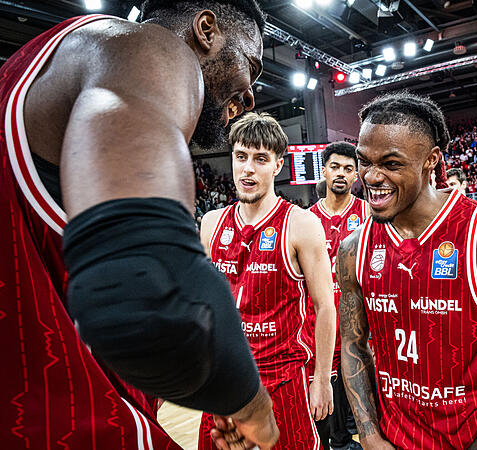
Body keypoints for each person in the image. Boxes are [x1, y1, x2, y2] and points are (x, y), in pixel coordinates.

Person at [0, 1, 281, 448]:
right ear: (206, 29)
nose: (252, 96)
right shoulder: (150, 49)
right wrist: (250, 403)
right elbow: (150, 292)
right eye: (253, 66)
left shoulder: (28, 68)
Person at [337, 91, 477, 449]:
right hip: (394, 441)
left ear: (431, 161)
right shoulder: (354, 248)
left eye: (391, 164)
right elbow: (352, 345)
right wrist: (368, 434)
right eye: (364, 161)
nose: (372, 176)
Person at [199, 112, 336, 450]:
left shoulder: (301, 224)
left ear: (277, 165)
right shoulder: (211, 223)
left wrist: (322, 379)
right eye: (240, 156)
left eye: (260, 159)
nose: (247, 168)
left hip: (283, 378)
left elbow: (324, 306)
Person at [307, 142, 368, 450]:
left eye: (347, 168)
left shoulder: (369, 214)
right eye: (335, 167)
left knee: (356, 405)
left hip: (358, 324)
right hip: (318, 323)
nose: (341, 174)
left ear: (356, 175)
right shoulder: (306, 218)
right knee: (322, 408)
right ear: (324, 170)